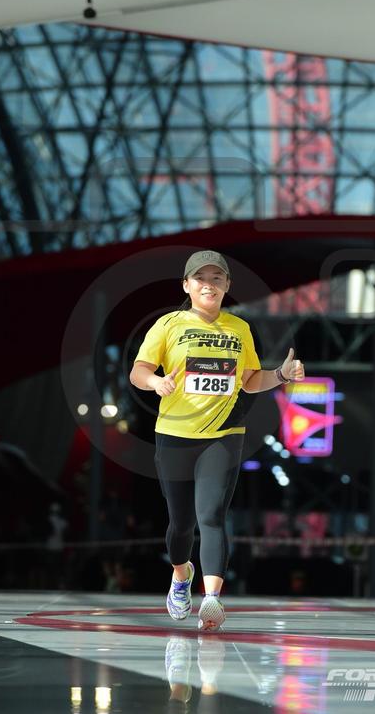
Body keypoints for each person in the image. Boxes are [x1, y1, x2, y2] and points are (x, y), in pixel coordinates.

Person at [130, 250, 305, 630]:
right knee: (181, 524)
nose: (208, 284)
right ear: (186, 285)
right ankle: (181, 575)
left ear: (227, 285)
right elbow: (138, 371)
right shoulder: (168, 324)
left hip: (224, 434)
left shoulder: (238, 329)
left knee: (211, 516)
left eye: (216, 278)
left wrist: (281, 374)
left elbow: (250, 380)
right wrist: (156, 381)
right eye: (200, 278)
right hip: (174, 434)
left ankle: (211, 600)